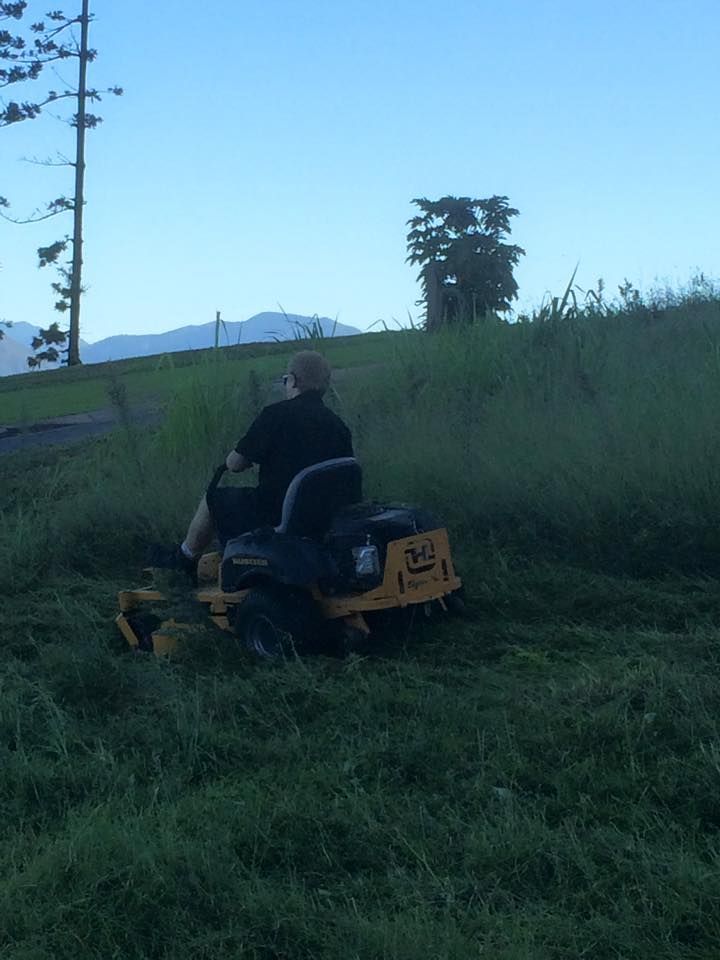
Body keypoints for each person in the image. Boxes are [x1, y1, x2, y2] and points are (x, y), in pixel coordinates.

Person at [148, 350, 354, 577]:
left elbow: (236, 464)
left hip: (277, 514)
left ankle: (185, 557)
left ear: (294, 380)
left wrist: (234, 459)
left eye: (286, 380)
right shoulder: (338, 426)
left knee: (213, 499)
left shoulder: (275, 415)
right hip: (326, 517)